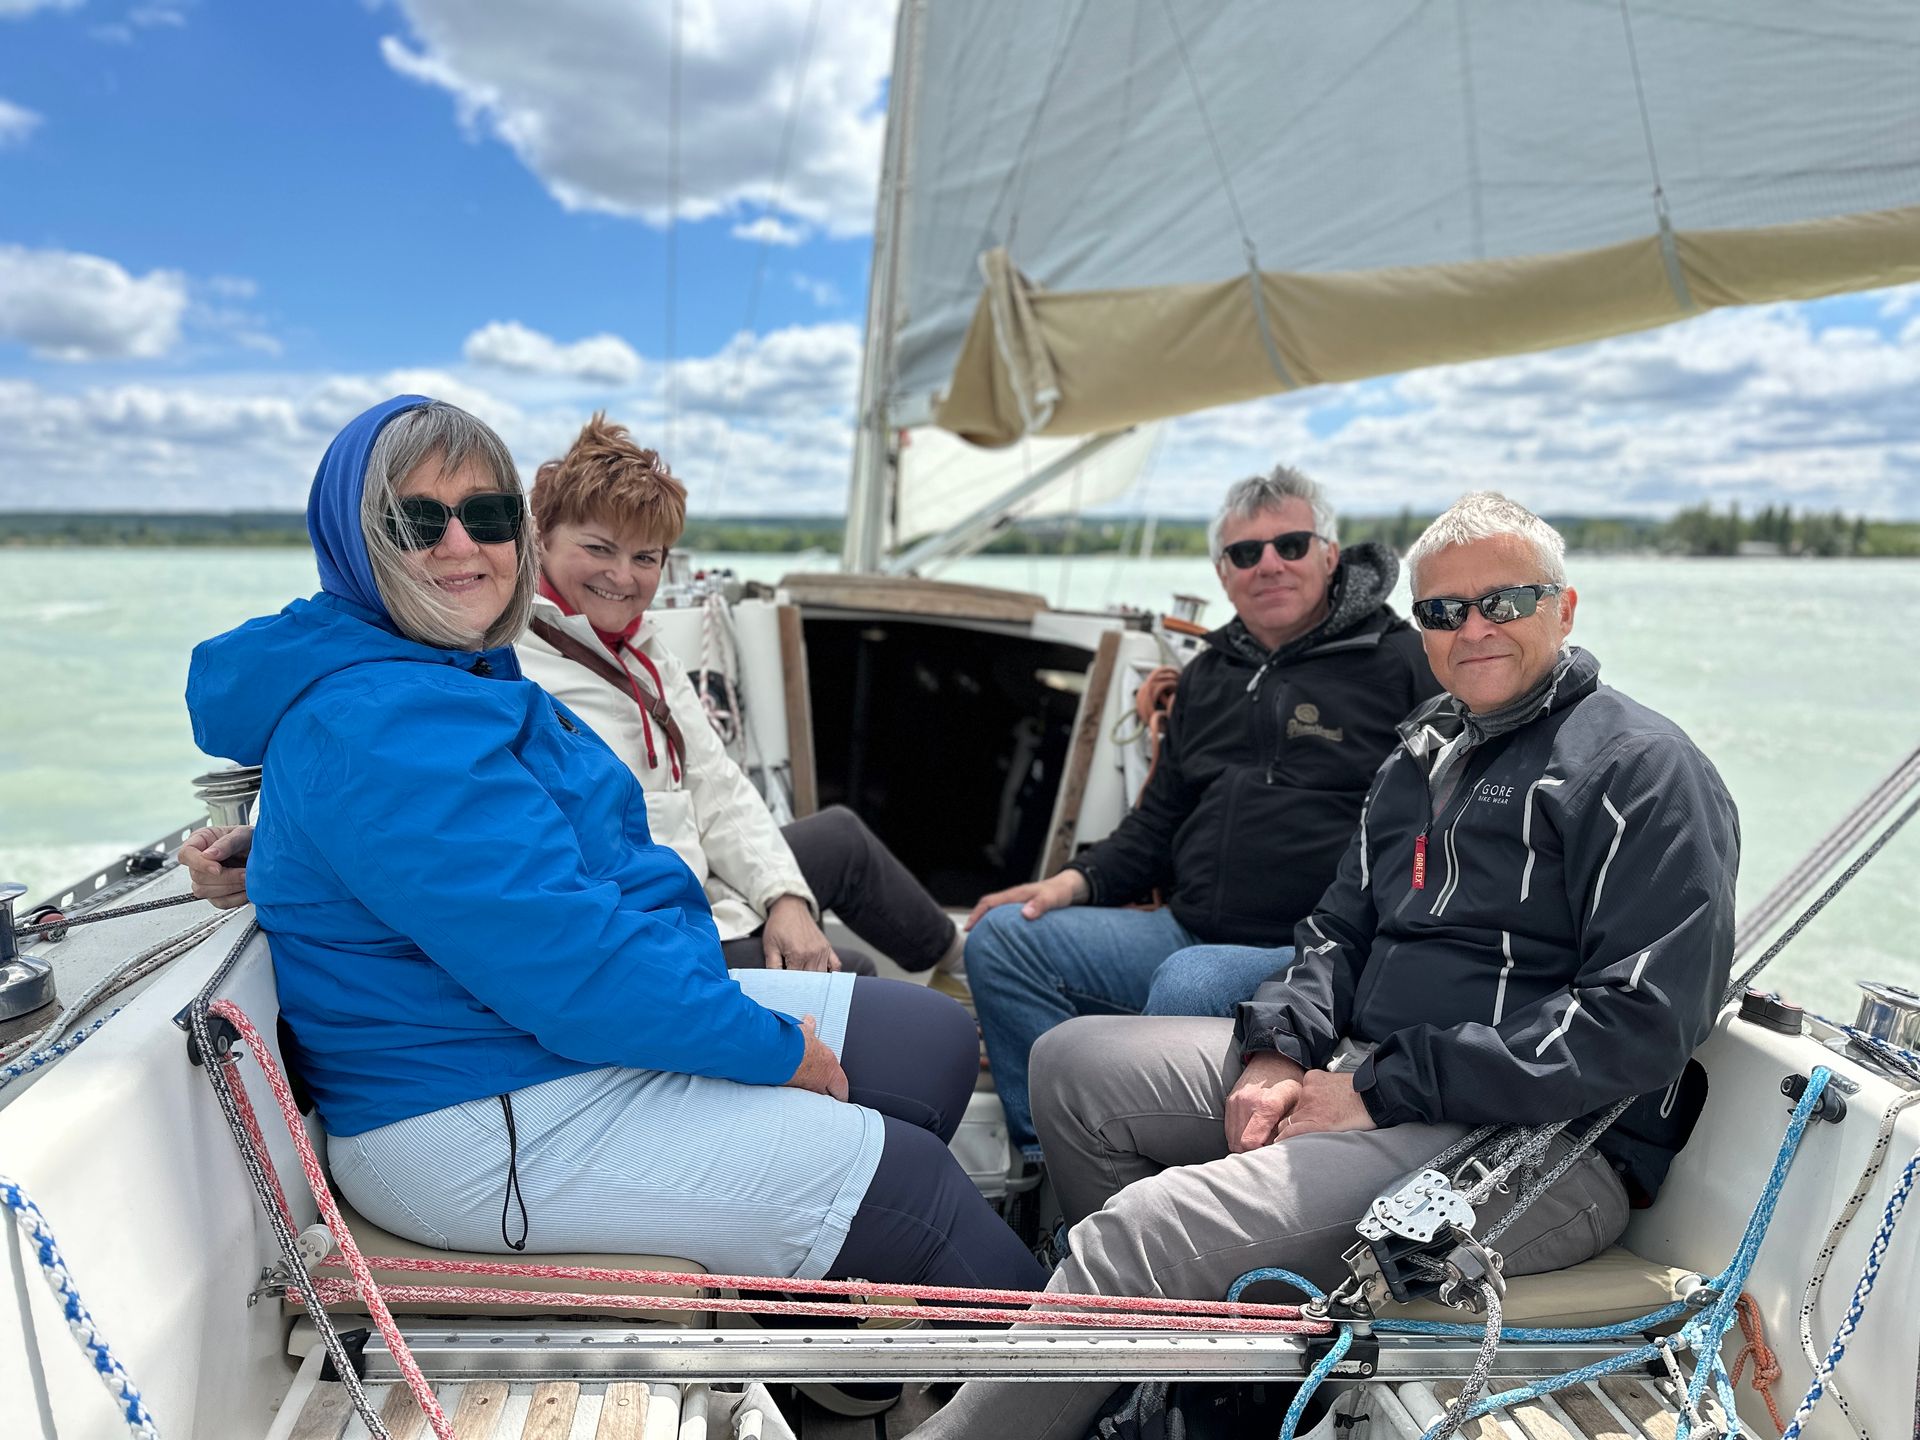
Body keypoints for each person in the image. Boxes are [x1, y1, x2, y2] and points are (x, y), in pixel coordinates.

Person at [911, 492, 1740, 1439]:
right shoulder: (1424, 754)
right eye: (1442, 611)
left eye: (1503, 602)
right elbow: (1336, 930)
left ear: (1565, 605)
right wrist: (1277, 1051)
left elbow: (1640, 1021)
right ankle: (1172, 1372)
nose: (1472, 629)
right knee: (1072, 1066)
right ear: (1420, 629)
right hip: (1370, 1073)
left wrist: (1374, 1091)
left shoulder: (1642, 771)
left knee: (1148, 1226)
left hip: (1540, 1146)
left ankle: (1085, 1367)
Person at [184, 395, 1044, 1301]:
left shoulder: (435, 668)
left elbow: (440, 845)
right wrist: (775, 1052)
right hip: (476, 1112)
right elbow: (568, 967)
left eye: (484, 516)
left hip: (547, 1030)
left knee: (932, 1043)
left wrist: (275, 842)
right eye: (414, 520)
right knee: (913, 1186)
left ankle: (837, 1296)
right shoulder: (385, 715)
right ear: (357, 542)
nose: (460, 545)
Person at [184, 413, 969, 985]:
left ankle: (965, 973)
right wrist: (267, 849)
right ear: (537, 540)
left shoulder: (647, 648)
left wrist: (786, 897)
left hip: (698, 884)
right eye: (596, 548)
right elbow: (419, 791)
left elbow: (718, 787)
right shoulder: (495, 651)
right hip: (650, 922)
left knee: (840, 840)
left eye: (646, 557)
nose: (622, 577)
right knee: (854, 976)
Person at [962, 467, 1441, 1156]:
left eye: (1292, 545)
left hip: (1311, 952)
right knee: (1003, 937)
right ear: (1223, 573)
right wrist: (1068, 884)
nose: (1268, 564)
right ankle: (1058, 1158)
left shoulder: (1402, 663)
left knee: (1191, 982)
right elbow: (1158, 821)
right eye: (1246, 554)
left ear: (1330, 555)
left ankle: (1165, 1196)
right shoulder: (1209, 674)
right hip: (1184, 927)